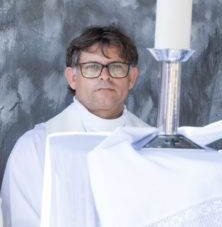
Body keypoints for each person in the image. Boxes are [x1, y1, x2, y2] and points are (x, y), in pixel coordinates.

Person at [1, 25, 147, 226]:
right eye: (92, 67)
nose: (105, 76)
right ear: (72, 78)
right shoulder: (35, 148)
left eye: (116, 67)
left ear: (131, 78)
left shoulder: (154, 145)